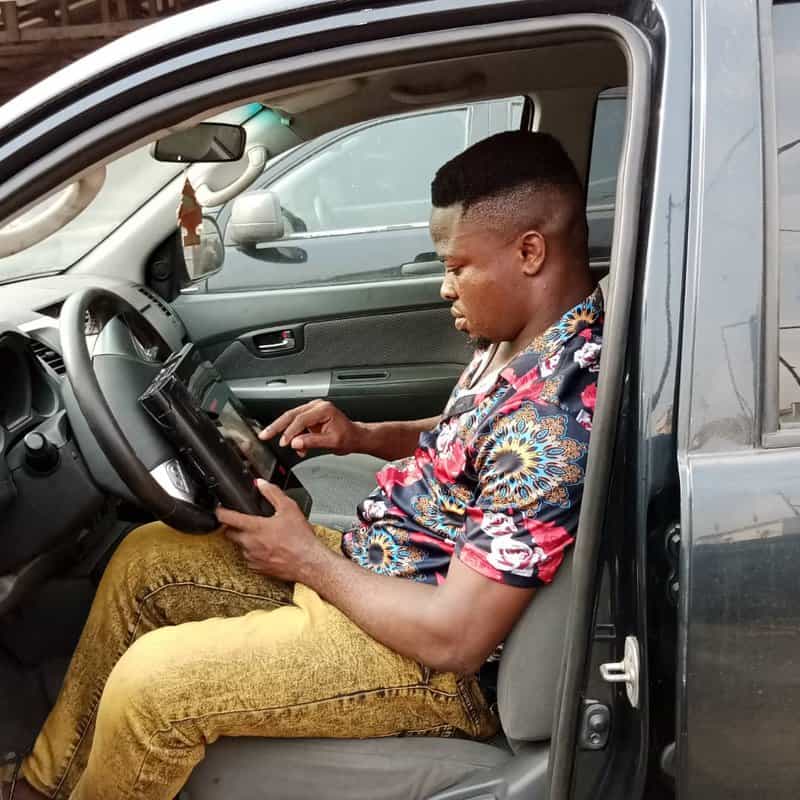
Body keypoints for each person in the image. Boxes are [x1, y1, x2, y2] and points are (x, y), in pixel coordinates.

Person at [6, 130, 602, 800]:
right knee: (148, 560)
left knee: (154, 686)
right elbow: (470, 443)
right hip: (382, 572)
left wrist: (307, 560)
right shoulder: (524, 342)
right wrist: (364, 435)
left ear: (530, 252)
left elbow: (456, 639)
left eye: (457, 266)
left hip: (430, 661)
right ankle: (41, 787)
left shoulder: (551, 421)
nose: (444, 287)